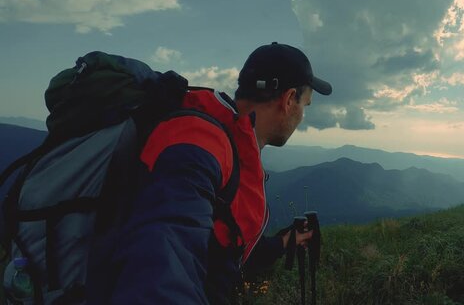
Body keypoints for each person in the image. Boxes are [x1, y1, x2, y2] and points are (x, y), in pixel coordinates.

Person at [86, 42, 332, 304]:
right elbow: (162, 256)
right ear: (288, 99)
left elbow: (221, 247)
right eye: (305, 104)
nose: (302, 116)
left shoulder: (230, 142)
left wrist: (283, 242)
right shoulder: (199, 144)